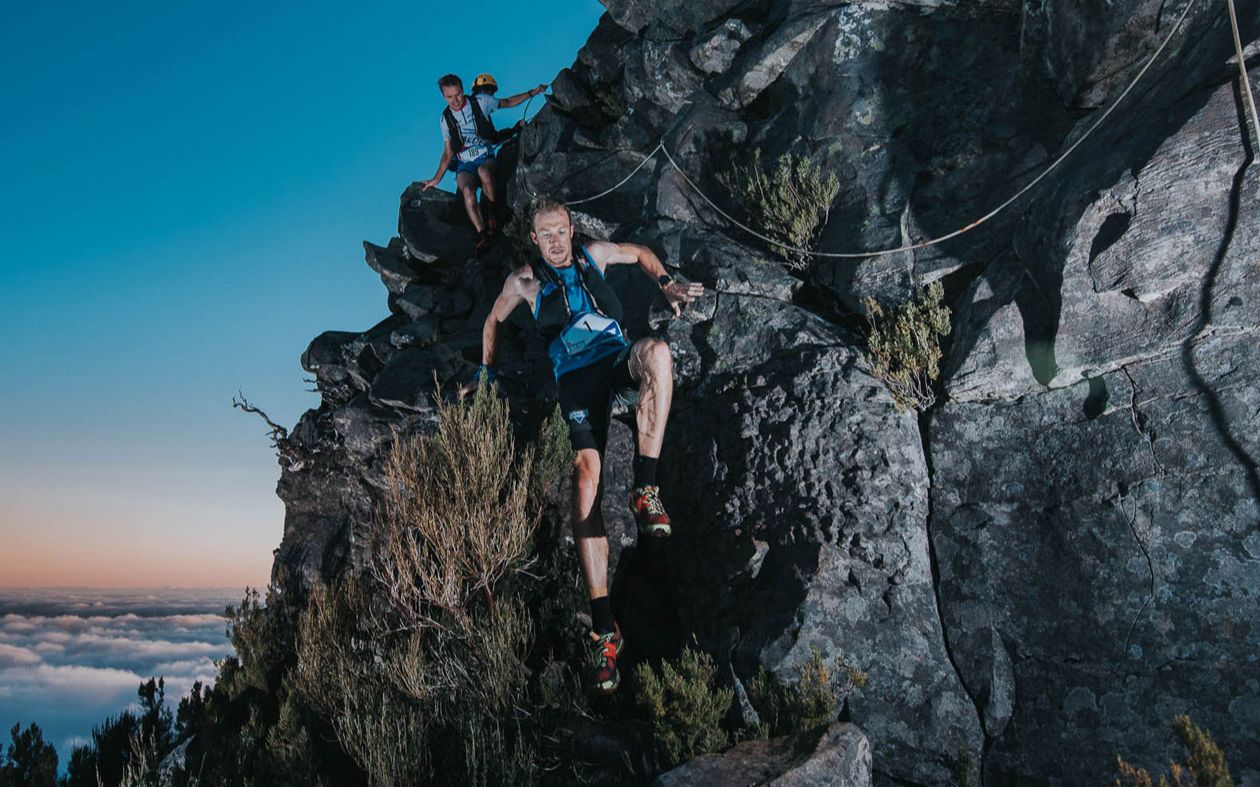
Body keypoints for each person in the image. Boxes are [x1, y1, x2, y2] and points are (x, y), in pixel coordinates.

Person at [465, 196, 705, 693]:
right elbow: (492, 321)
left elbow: (639, 252)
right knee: (585, 480)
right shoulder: (523, 282)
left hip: (617, 359)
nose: (555, 241)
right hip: (576, 383)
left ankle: (646, 489)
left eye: (560, 231)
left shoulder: (593, 255)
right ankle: (603, 626)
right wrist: (485, 374)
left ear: (571, 229)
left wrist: (666, 284)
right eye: (545, 235)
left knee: (658, 352)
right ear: (534, 238)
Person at [420, 73, 546, 252]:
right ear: (443, 96)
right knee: (467, 192)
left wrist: (532, 93)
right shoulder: (445, 119)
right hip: (464, 164)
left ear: (463, 90)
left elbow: (508, 102)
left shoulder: (481, 102)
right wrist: (436, 179)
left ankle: (493, 214)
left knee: (484, 173)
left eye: (457, 94)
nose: (455, 100)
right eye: (449, 97)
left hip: (485, 158)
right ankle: (482, 234)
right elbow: (448, 152)